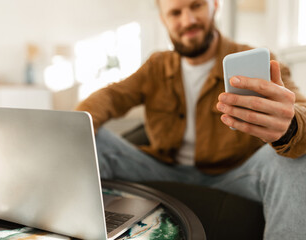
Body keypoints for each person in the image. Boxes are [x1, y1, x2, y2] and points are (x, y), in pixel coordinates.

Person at [75, 0, 306, 239]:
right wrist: (79, 123)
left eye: (196, 6)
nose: (188, 20)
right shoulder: (156, 66)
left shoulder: (257, 62)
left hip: (234, 174)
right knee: (91, 138)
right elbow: (112, 95)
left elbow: (300, 108)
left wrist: (290, 126)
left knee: (297, 156)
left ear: (214, 5)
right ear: (164, 19)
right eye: (175, 13)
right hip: (164, 169)